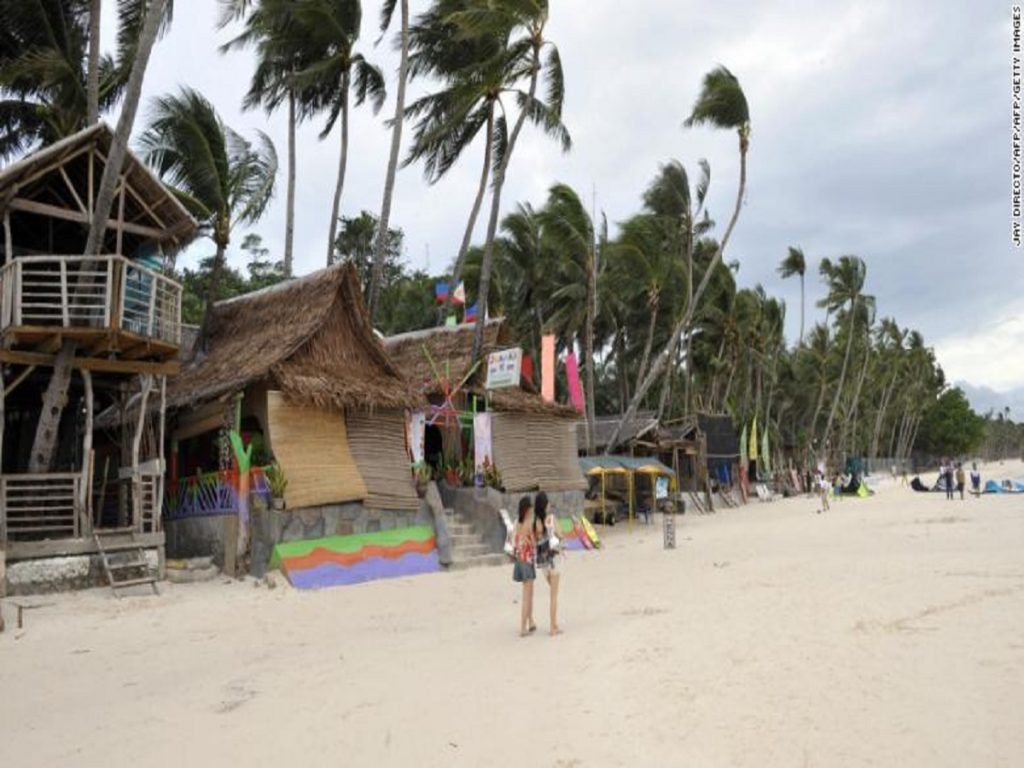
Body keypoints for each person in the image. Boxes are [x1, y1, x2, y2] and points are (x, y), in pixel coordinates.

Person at [533, 492, 563, 636]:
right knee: (554, 596)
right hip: (553, 559)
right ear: (545, 504)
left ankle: (554, 624)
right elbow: (561, 535)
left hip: (542, 563)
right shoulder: (551, 518)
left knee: (552, 593)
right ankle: (553, 628)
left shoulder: (536, 522)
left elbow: (534, 541)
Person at [512, 496, 537, 637]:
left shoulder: (518, 523)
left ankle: (531, 621)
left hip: (520, 560)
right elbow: (533, 543)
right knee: (527, 596)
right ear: (528, 509)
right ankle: (523, 627)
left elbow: (516, 541)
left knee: (529, 594)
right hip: (527, 561)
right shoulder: (528, 523)